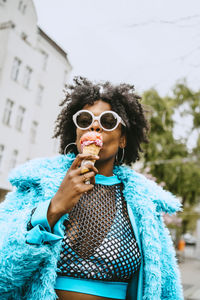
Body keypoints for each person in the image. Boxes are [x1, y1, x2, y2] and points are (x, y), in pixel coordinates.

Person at [0, 77, 183, 300]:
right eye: (85, 120)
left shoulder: (143, 204)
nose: (95, 126)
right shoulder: (34, 186)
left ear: (123, 139)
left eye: (107, 121)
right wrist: (54, 207)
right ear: (76, 133)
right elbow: (4, 276)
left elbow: (164, 290)